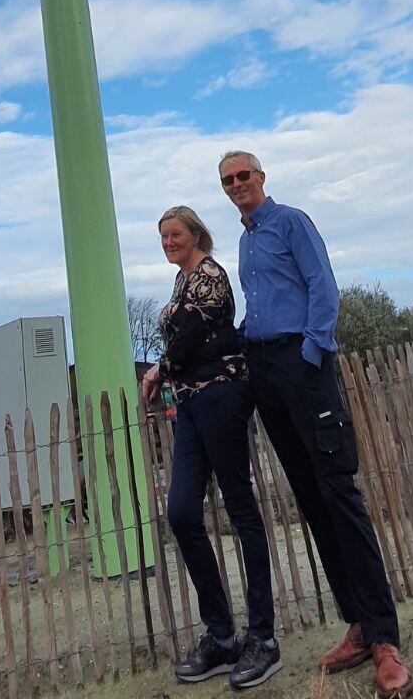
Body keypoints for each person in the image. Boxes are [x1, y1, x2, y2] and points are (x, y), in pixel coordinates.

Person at [217, 151, 413, 699]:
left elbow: (322, 287)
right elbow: (260, 307)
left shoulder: (292, 222)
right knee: (310, 498)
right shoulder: (245, 241)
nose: (237, 185)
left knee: (339, 493)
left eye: (244, 176)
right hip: (266, 371)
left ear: (262, 177)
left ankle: (385, 642)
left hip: (303, 369)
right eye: (228, 180)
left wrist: (311, 353)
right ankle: (356, 625)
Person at [140, 205, 281, 690]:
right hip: (191, 406)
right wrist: (169, 368)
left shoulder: (210, 277)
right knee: (180, 512)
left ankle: (262, 636)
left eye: (175, 234)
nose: (168, 242)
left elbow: (190, 338)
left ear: (195, 233)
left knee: (241, 510)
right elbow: (183, 341)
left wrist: (159, 367)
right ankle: (221, 636)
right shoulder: (182, 282)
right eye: (163, 237)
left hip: (221, 395)